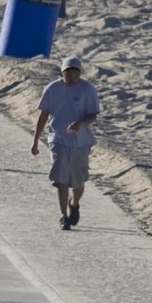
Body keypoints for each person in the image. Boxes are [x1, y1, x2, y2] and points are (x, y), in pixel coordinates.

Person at [31, 55, 101, 229]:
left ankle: (74, 204)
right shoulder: (52, 89)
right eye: (68, 75)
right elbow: (43, 115)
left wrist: (80, 124)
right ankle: (63, 216)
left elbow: (93, 115)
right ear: (62, 73)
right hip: (58, 139)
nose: (71, 78)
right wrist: (35, 141)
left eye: (75, 75)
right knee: (61, 179)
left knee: (78, 182)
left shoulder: (87, 89)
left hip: (81, 142)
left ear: (80, 74)